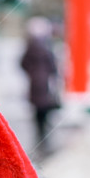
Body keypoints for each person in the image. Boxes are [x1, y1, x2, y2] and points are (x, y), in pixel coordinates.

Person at [20, 17, 61, 151]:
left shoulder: (31, 46)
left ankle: (41, 137)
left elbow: (23, 63)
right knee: (44, 111)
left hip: (35, 83)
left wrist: (31, 72)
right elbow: (53, 65)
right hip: (45, 84)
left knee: (38, 112)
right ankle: (44, 139)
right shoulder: (46, 46)